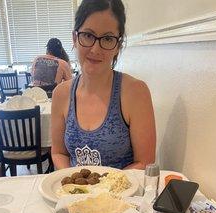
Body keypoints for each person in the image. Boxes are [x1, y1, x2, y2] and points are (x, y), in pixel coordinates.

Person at [51, 0, 156, 170]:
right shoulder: (61, 94)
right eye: (88, 35)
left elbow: (144, 162)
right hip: (73, 193)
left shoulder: (136, 92)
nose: (95, 49)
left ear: (118, 45)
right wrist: (72, 183)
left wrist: (101, 190)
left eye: (107, 38)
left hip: (123, 194)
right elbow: (59, 153)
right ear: (75, 38)